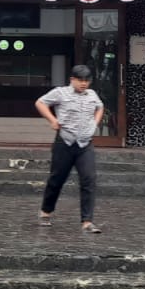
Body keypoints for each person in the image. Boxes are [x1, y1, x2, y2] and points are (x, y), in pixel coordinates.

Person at [35, 64, 104, 233]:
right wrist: (52, 120)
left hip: (85, 143)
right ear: (72, 79)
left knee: (89, 179)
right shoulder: (60, 92)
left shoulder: (92, 95)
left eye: (87, 80)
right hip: (64, 142)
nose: (83, 84)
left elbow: (100, 107)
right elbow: (40, 103)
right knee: (57, 179)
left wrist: (95, 123)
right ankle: (46, 211)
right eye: (80, 80)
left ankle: (87, 221)